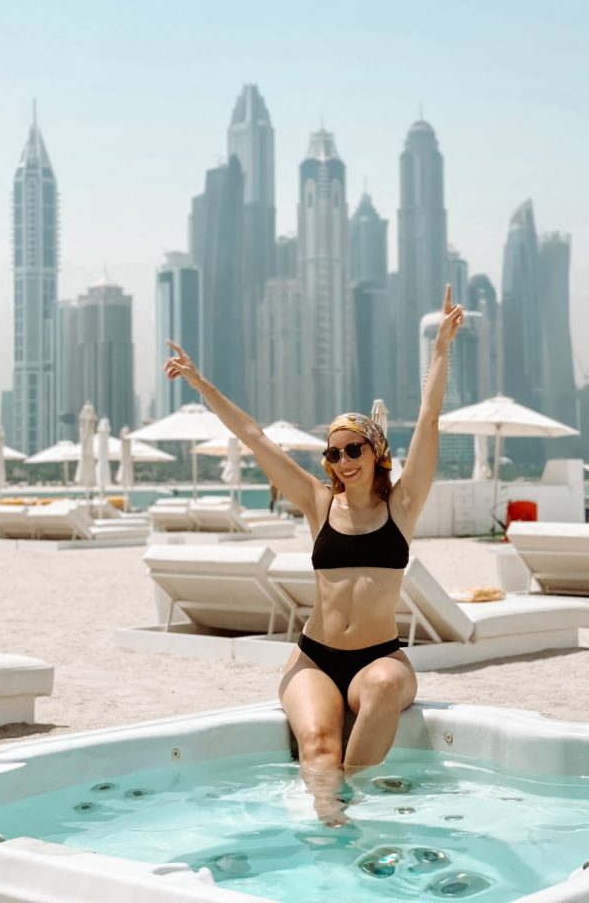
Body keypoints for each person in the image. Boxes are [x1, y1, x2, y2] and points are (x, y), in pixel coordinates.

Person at [164, 285, 463, 822]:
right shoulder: (316, 501)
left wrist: (440, 350)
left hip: (380, 659)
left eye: (353, 449)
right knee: (320, 750)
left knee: (387, 686)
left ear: (376, 453)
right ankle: (334, 827)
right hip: (314, 658)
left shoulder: (404, 506)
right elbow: (254, 437)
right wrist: (198, 381)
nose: (342, 460)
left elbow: (429, 419)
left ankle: (355, 806)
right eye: (333, 452)